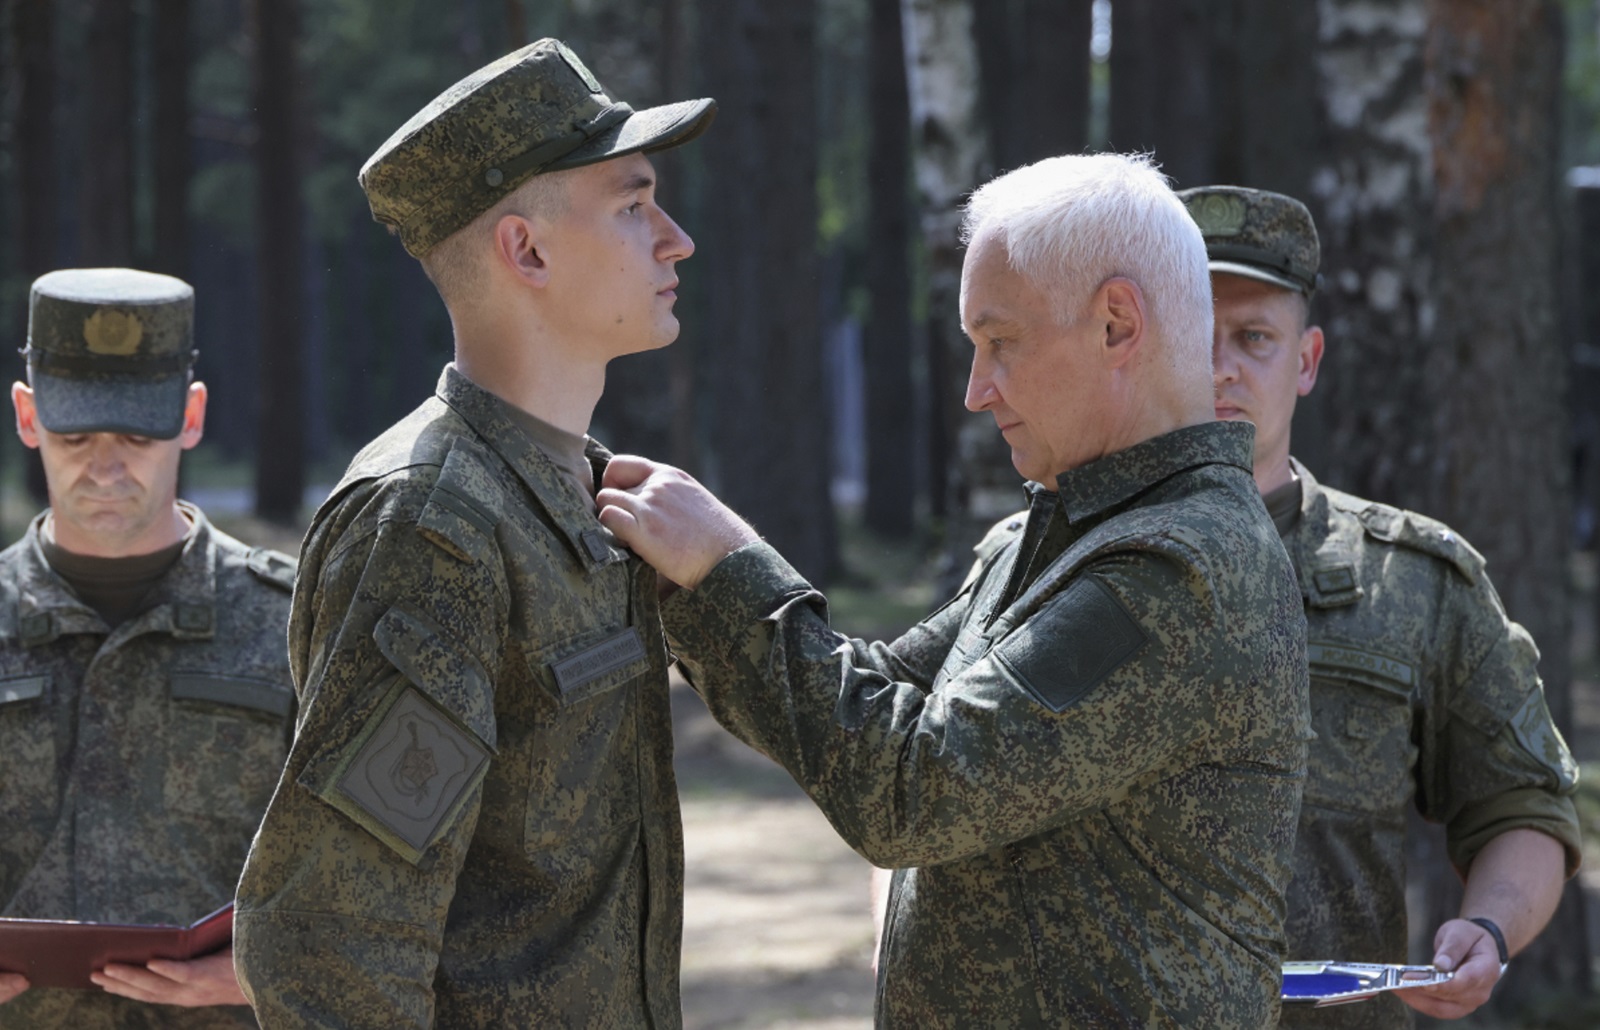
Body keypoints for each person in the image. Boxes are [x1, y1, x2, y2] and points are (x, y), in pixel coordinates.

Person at [596, 153, 1312, 1028]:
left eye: (1000, 341)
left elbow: (911, 785)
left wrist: (728, 567)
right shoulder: (1061, 535)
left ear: (1118, 324)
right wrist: (687, 582)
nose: (977, 391)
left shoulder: (1180, 569)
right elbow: (873, 690)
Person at [232, 39, 714, 1027]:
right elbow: (333, 947)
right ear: (525, 251)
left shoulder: (566, 488)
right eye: (632, 205)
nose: (675, 239)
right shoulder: (436, 524)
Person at [1177, 185, 1582, 1028]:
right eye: (1192, 336)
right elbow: (931, 772)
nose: (1221, 367)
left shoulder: (1411, 582)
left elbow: (1520, 801)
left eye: (1254, 338)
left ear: (1308, 360)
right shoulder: (1049, 560)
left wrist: (1489, 928)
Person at [0, 268, 296, 1029]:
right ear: (27, 417)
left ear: (190, 416)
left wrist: (272, 967)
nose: (104, 468)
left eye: (137, 435)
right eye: (73, 436)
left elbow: (392, 876)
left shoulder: (295, 625)